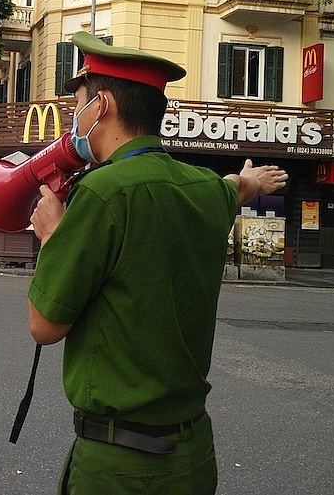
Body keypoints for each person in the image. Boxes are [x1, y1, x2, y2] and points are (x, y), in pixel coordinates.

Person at [25, 32, 288, 495]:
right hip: (192, 457)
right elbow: (232, 186)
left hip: (119, 466)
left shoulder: (102, 194)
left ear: (101, 106)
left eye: (78, 106)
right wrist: (249, 180)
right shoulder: (204, 188)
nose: (73, 119)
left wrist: (52, 236)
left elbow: (44, 326)